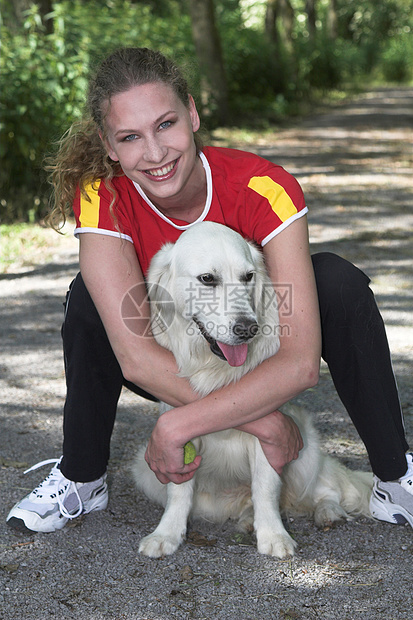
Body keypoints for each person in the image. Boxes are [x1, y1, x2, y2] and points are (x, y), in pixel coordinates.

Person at [7, 47, 413, 534]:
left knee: (336, 281)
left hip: (259, 353)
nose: (155, 153)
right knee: (89, 299)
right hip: (169, 360)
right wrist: (264, 423)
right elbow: (135, 357)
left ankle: (395, 477)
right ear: (109, 145)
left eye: (165, 124)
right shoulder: (103, 195)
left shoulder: (264, 186)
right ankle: (81, 477)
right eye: (130, 137)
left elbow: (301, 362)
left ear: (193, 114)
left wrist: (177, 425)